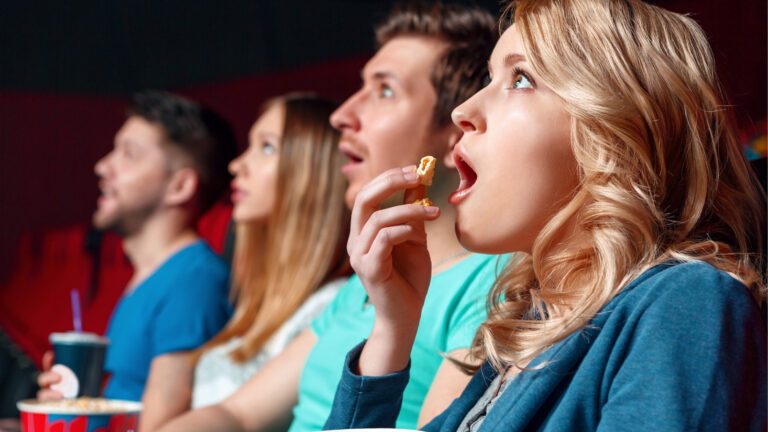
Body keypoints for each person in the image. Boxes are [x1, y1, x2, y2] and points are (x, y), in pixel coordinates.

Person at [323, 0, 767, 430]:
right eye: (489, 78)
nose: (462, 111)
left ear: (614, 134)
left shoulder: (686, 302)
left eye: (520, 79)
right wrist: (393, 327)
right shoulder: (529, 330)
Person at [157, 3, 499, 432]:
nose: (342, 116)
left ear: (456, 135)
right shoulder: (362, 283)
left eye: (385, 91)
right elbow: (236, 414)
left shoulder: (494, 286)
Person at [143, 94, 352, 429]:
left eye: (266, 147)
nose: (237, 165)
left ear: (312, 173)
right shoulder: (257, 303)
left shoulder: (330, 306)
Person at [37, 91, 236, 417]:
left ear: (180, 187)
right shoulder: (154, 276)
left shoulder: (193, 285)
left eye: (129, 154)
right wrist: (66, 408)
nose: (102, 166)